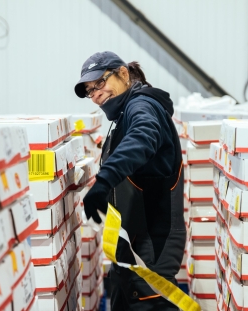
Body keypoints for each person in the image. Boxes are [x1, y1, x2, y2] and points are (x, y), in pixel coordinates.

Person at [74, 51, 185, 311]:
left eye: (100, 83)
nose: (96, 94)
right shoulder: (125, 113)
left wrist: (103, 182)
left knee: (151, 304)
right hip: (131, 243)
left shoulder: (142, 107)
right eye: (90, 91)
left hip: (153, 242)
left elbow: (142, 138)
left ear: (123, 74)